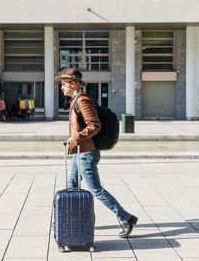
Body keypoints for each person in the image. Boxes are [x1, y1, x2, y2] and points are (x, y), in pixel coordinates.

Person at [55, 68, 138, 238]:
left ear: (73, 83)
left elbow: (94, 125)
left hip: (86, 153)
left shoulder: (82, 101)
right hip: (80, 152)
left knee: (95, 189)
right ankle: (73, 219)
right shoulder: (75, 100)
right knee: (72, 187)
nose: (61, 88)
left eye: (63, 84)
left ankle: (126, 218)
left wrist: (77, 137)